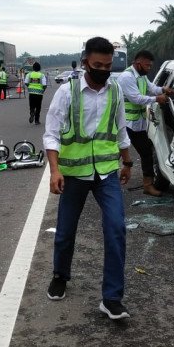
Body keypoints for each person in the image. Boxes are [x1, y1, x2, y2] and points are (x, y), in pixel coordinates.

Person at [43, 37, 133, 320]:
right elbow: (52, 134)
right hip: (74, 174)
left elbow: (120, 131)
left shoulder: (116, 91)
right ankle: (60, 275)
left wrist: (127, 161)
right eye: (97, 65)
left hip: (106, 172)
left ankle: (111, 298)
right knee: (66, 230)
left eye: (108, 65)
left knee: (117, 228)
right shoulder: (67, 92)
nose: (103, 70)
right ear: (85, 64)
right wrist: (55, 170)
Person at [116, 50, 174, 196]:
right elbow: (136, 98)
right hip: (127, 123)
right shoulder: (127, 77)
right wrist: (157, 99)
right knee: (143, 153)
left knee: (125, 152)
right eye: (147, 65)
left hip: (137, 123)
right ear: (138, 63)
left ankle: (145, 184)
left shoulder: (141, 76)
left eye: (150, 66)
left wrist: (163, 89)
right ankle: (147, 185)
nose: (149, 68)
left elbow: (151, 88)